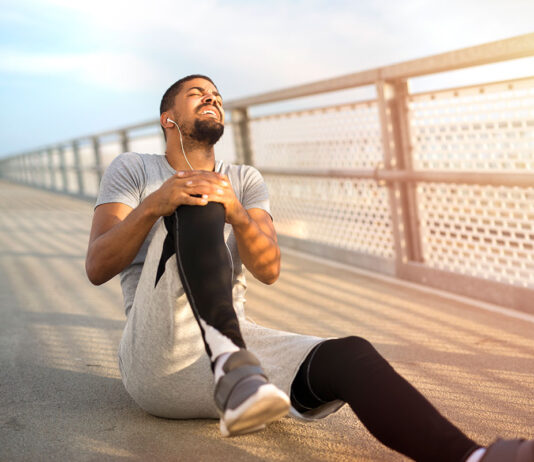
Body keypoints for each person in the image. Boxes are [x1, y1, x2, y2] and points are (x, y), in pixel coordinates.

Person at [86, 74, 533, 461]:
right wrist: (155, 204)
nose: (212, 99)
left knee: (350, 354)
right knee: (197, 192)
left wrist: (238, 214)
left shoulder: (244, 179)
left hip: (243, 358)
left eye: (217, 96)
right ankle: (230, 362)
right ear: (168, 118)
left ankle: (469, 456)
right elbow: (98, 265)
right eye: (198, 93)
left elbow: (268, 269)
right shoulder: (134, 167)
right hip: (158, 354)